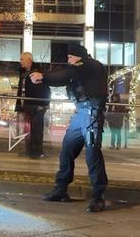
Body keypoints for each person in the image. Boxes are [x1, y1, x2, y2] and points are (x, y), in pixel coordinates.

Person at [30, 44, 108, 213]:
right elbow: (65, 76)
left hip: (91, 115)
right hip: (81, 115)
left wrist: (43, 76)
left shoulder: (90, 65)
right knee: (67, 150)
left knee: (92, 154)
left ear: (78, 56)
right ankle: (61, 189)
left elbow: (67, 74)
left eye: (70, 57)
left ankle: (98, 197)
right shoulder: (82, 69)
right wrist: (46, 77)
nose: (68, 60)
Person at [15, 52, 51, 159]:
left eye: (22, 59)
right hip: (27, 106)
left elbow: (45, 89)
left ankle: (37, 152)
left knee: (36, 130)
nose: (20, 61)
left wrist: (44, 104)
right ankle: (30, 151)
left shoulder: (38, 72)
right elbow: (21, 91)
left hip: (37, 106)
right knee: (28, 130)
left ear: (29, 60)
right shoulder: (23, 73)